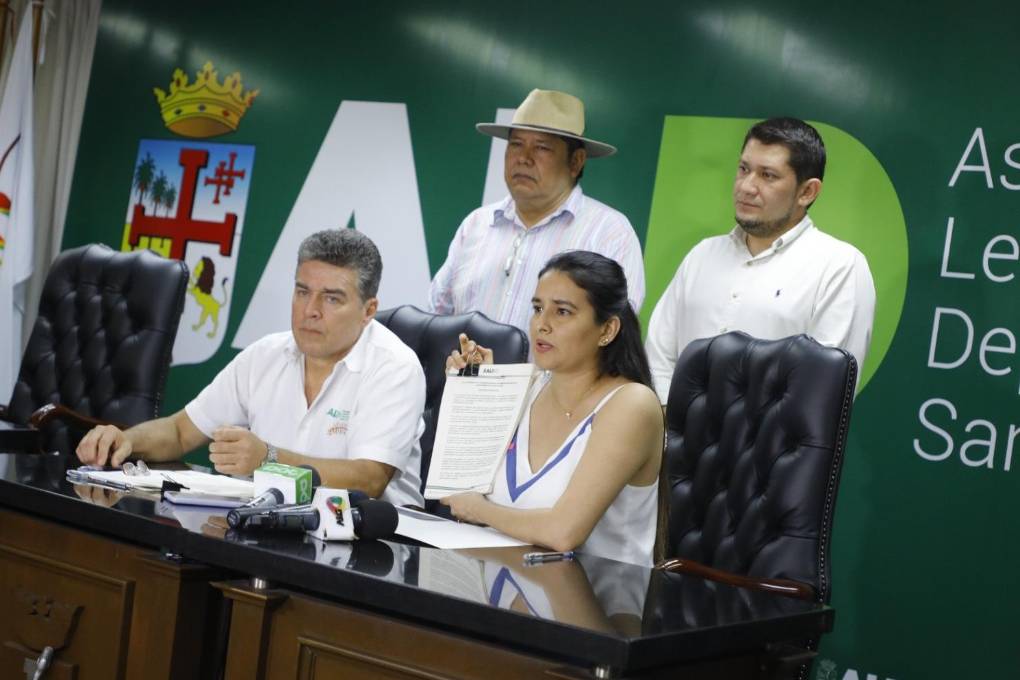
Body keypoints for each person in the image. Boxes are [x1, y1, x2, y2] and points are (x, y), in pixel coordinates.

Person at [75, 229, 426, 508]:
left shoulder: (395, 367)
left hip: (373, 548)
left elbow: (369, 479)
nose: (311, 310)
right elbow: (181, 432)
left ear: (368, 310)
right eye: (302, 292)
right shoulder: (265, 355)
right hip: (268, 528)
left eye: (332, 298)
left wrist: (268, 459)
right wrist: (127, 440)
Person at [441, 251, 663, 567]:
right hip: (505, 578)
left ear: (607, 330)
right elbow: (456, 492)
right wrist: (474, 398)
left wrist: (477, 509)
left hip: (599, 591)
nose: (541, 325)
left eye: (562, 312)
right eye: (537, 308)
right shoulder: (524, 385)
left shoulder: (632, 404)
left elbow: (563, 532)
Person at [645, 117, 876, 402]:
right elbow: (658, 356)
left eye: (768, 175)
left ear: (807, 192)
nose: (746, 186)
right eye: (744, 169)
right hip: (674, 428)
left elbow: (822, 389)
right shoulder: (702, 254)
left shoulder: (839, 266)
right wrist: (673, 418)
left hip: (773, 433)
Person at [429, 89, 645, 337]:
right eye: (516, 144)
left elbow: (615, 334)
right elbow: (437, 317)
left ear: (576, 161)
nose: (524, 158)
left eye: (542, 147)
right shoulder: (477, 224)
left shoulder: (609, 232)